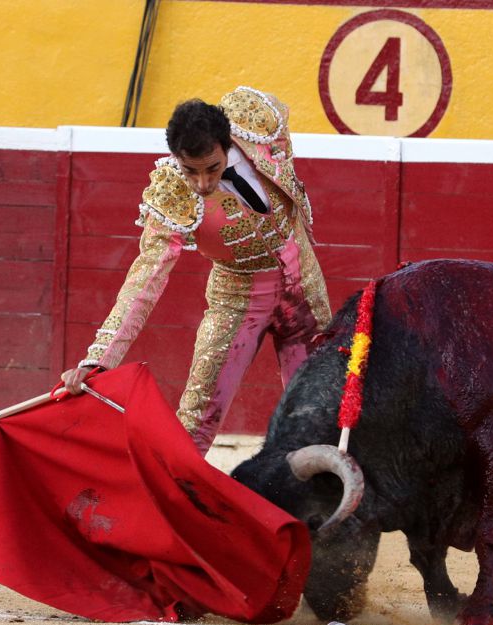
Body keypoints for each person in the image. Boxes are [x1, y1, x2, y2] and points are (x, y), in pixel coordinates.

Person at [61, 85, 331, 456]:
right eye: (190, 171)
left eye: (213, 169)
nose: (202, 184)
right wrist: (99, 359)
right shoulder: (173, 192)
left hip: (305, 285)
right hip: (238, 300)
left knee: (319, 412)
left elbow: (285, 155)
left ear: (228, 144)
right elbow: (146, 277)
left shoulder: (257, 122)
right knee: (196, 419)